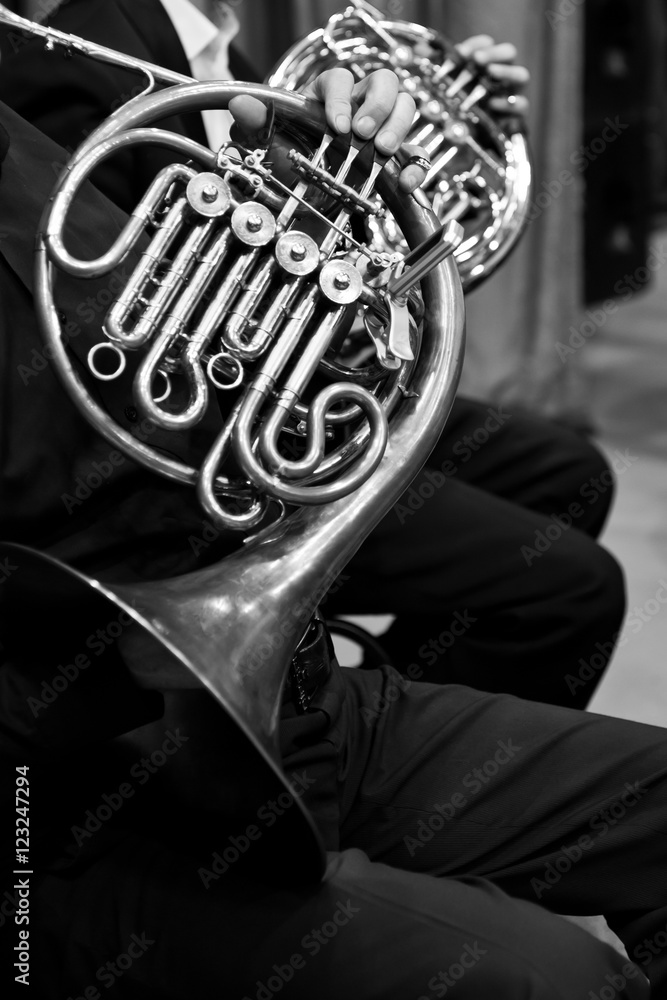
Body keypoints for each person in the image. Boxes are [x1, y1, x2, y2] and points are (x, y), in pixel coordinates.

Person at [0, 55, 666, 1000]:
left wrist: (309, 205)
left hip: (278, 690)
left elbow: (158, 353)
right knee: (558, 979)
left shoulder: (19, 135)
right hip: (72, 799)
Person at [0, 0, 628, 710]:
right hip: (216, 446)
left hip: (289, 388)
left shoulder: (211, 40)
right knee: (574, 590)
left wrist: (398, 130)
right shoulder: (79, 52)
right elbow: (106, 325)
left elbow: (277, 225)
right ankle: (381, 757)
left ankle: (396, 705)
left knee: (567, 473)